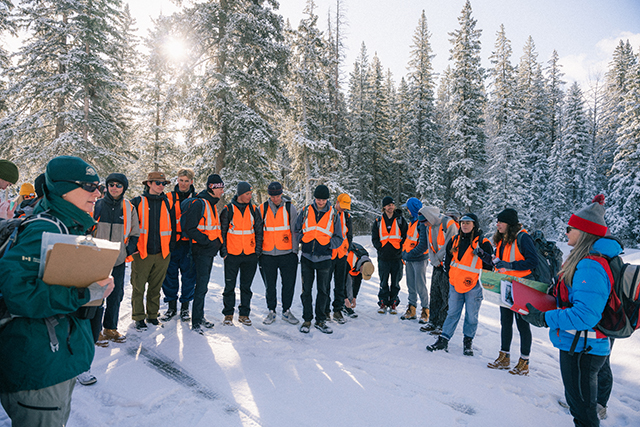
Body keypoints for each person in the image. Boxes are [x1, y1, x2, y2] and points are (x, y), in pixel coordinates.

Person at [0, 155, 114, 426]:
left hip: (58, 358)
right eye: (89, 186)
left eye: (97, 185)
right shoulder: (43, 228)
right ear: (63, 188)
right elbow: (18, 294)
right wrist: (86, 294)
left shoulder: (71, 225)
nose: (97, 192)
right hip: (38, 366)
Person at [522, 195, 618, 427]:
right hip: (581, 344)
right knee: (581, 408)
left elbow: (586, 315)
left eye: (569, 228)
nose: (565, 232)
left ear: (584, 231)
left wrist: (544, 318)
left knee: (584, 415)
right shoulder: (585, 260)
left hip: (583, 348)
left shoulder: (590, 265)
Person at [427, 213, 493, 355]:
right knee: (452, 313)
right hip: (455, 284)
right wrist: (449, 277)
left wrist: (482, 255)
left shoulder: (484, 243)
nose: (464, 225)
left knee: (471, 316)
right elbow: (448, 261)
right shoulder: (454, 240)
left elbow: (491, 266)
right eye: (463, 222)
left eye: (468, 223)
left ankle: (467, 342)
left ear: (474, 224)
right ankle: (443, 340)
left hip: (473, 286)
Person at [487, 208, 539, 375]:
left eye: (501, 222)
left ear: (509, 224)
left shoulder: (523, 238)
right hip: (506, 285)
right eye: (497, 221)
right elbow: (502, 261)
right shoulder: (502, 239)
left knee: (523, 324)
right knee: (505, 322)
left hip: (522, 286)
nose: (498, 224)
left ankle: (524, 362)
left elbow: (532, 262)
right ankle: (504, 357)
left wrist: (510, 266)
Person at [93, 173, 140, 344]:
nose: (114, 188)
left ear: (124, 188)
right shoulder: (97, 205)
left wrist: (128, 251)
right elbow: (88, 228)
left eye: (118, 185)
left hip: (119, 259)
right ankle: (95, 331)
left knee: (116, 294)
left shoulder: (129, 207)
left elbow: (135, 232)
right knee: (97, 294)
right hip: (98, 259)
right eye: (111, 184)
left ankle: (110, 328)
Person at [294, 184, 344, 334]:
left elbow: (339, 237)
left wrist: (328, 245)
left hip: (325, 258)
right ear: (314, 198)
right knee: (306, 291)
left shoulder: (333, 214)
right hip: (307, 257)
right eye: (318, 199)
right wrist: (302, 239)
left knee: (323, 291)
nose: (320, 202)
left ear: (327, 199)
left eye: (323, 199)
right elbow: (296, 230)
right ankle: (307, 319)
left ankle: (320, 320)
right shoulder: (305, 211)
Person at [130, 172, 176, 331]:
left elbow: (173, 228)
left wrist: (170, 248)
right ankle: (138, 317)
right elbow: (129, 228)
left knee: (156, 287)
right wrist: (131, 249)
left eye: (164, 183)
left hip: (162, 253)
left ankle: (152, 315)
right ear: (148, 183)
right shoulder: (137, 202)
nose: (161, 186)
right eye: (158, 183)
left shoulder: (168, 203)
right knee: (138, 287)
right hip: (142, 253)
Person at [180, 174, 224, 334]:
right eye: (220, 188)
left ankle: (199, 316)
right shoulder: (200, 204)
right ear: (212, 187)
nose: (222, 191)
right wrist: (207, 242)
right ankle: (196, 322)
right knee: (200, 287)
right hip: (200, 252)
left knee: (202, 287)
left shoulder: (210, 203)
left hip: (207, 252)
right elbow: (190, 229)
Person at [220, 181, 263, 326]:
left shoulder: (254, 209)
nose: (250, 196)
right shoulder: (228, 209)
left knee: (246, 287)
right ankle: (228, 314)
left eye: (250, 193)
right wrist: (224, 252)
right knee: (229, 286)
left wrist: (257, 252)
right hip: (232, 254)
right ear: (240, 194)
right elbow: (223, 232)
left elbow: (258, 231)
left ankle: (244, 314)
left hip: (250, 255)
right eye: (247, 194)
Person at [257, 181, 300, 325]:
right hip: (267, 254)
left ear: (281, 194)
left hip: (287, 253)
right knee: (270, 285)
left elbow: (295, 231)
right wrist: (259, 252)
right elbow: (258, 232)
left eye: (277, 195)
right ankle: (271, 311)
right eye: (272, 196)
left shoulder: (290, 208)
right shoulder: (261, 209)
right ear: (268, 195)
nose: (275, 198)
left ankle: (286, 311)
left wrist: (294, 252)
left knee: (288, 284)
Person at [161, 168, 197, 322]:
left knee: (189, 277)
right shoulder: (168, 197)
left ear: (191, 182)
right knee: (170, 276)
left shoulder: (197, 199)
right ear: (177, 180)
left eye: (186, 181)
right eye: (181, 180)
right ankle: (171, 307)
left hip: (189, 244)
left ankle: (185, 308)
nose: (183, 184)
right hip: (172, 243)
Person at [418, 206, 459, 332]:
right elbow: (430, 245)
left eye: (425, 221)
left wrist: (438, 259)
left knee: (445, 295)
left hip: (448, 265)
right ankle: (432, 321)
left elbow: (449, 244)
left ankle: (442, 324)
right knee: (434, 294)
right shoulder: (429, 227)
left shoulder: (448, 224)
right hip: (436, 264)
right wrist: (433, 259)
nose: (425, 225)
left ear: (430, 217)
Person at [372, 196, 407, 313]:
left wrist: (400, 248)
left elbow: (405, 236)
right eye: (388, 205)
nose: (390, 207)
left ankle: (393, 303)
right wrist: (380, 248)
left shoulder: (400, 220)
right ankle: (383, 302)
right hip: (383, 257)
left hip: (397, 256)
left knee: (396, 282)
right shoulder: (378, 221)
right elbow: (375, 238)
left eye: (392, 205)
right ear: (384, 207)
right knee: (383, 281)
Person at [325, 193, 352, 323]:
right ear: (337, 202)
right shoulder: (329, 214)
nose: (344, 208)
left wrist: (348, 250)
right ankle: (325, 311)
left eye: (346, 206)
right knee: (325, 284)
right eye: (343, 205)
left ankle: (337, 310)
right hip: (329, 254)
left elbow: (349, 234)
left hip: (342, 255)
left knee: (340, 284)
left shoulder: (347, 216)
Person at [401, 198, 429, 318]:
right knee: (411, 285)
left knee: (420, 286)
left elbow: (423, 245)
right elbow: (409, 240)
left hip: (419, 259)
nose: (407, 210)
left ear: (412, 209)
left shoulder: (422, 223)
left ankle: (425, 310)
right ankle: (411, 309)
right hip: (410, 259)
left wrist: (409, 254)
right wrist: (404, 253)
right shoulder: (412, 222)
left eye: (408, 208)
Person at [343, 242, 374, 318]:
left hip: (353, 266)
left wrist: (354, 297)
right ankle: (344, 306)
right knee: (348, 283)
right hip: (342, 263)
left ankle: (348, 303)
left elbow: (358, 281)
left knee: (353, 284)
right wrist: (345, 298)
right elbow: (341, 282)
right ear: (361, 267)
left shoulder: (366, 264)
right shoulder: (351, 259)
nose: (361, 274)